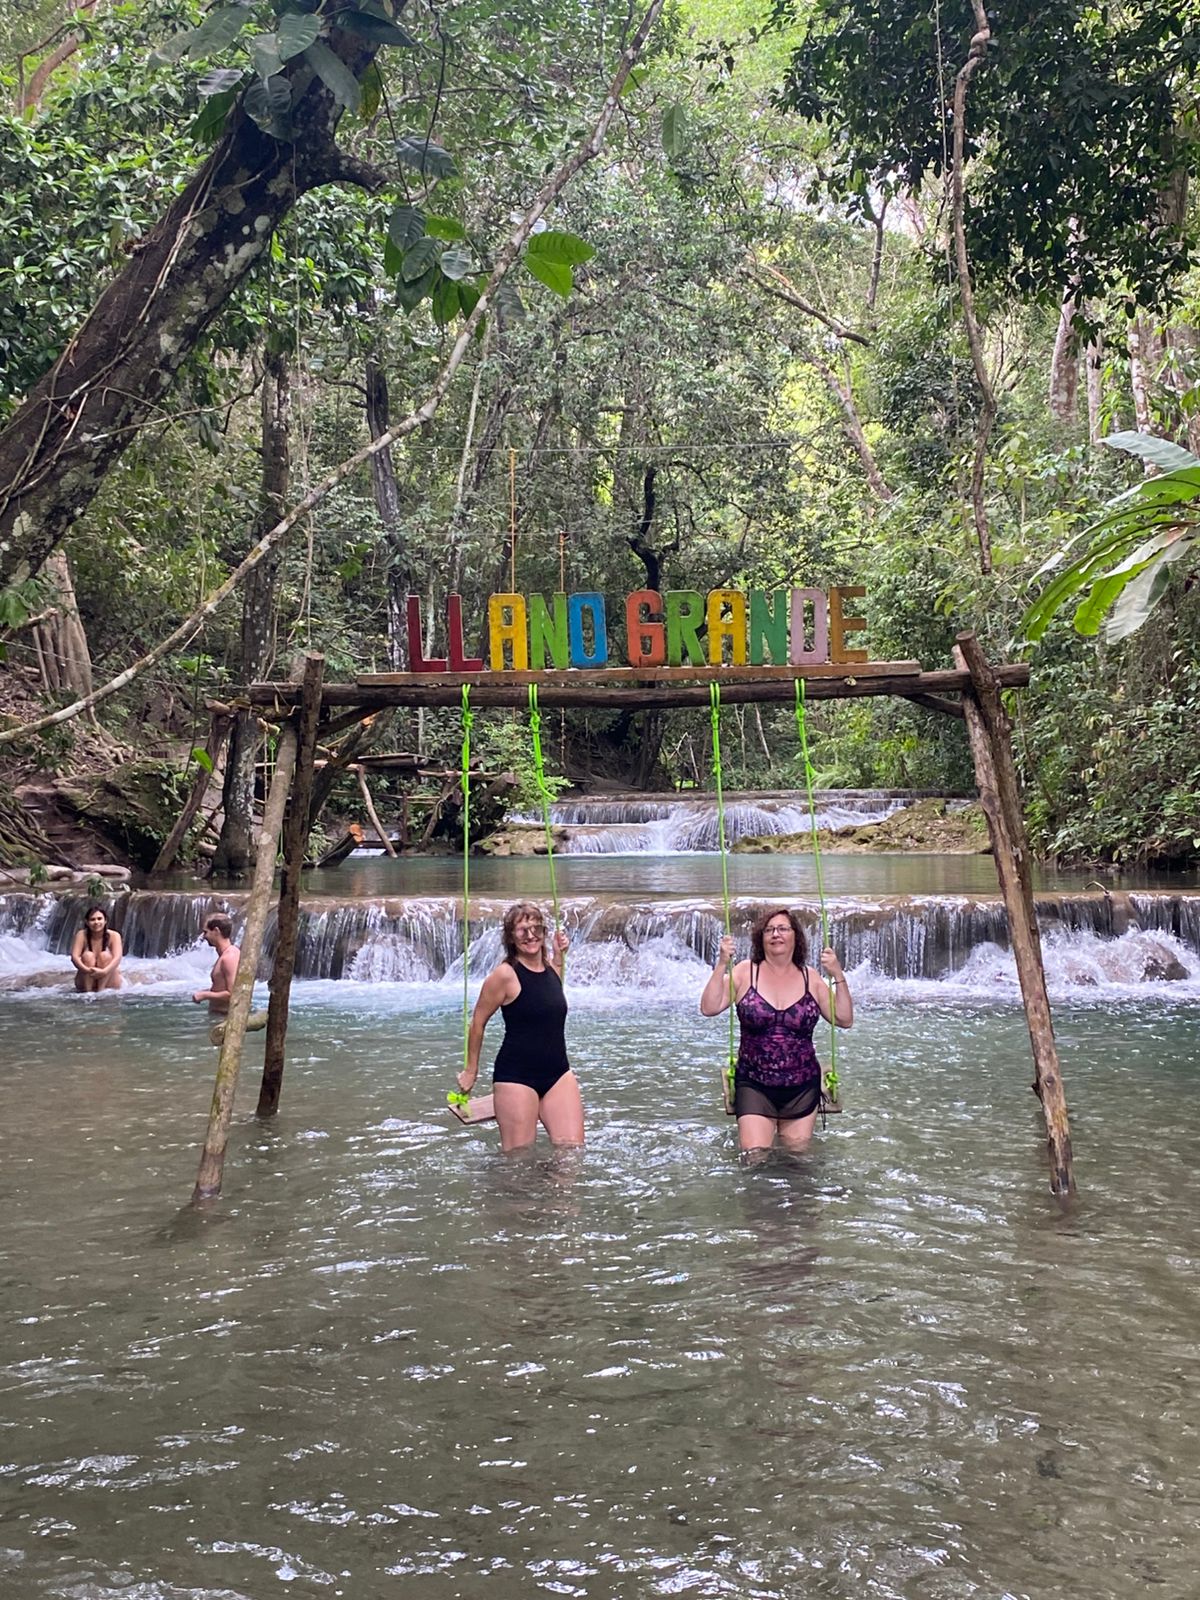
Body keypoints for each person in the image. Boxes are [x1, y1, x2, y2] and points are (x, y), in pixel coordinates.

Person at [700, 905, 853, 1155]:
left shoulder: (810, 978)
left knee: (796, 1163)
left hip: (802, 1086)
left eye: (783, 928)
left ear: (796, 936)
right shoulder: (745, 972)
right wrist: (721, 964)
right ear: (761, 938)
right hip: (755, 1084)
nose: (776, 934)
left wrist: (837, 974)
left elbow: (844, 1019)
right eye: (769, 930)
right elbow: (709, 1007)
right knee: (754, 1157)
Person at [458, 901, 584, 1153]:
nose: (531, 936)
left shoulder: (550, 967)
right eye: (522, 930)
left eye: (536, 928)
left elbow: (549, 990)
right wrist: (471, 1070)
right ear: (511, 937)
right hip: (516, 1077)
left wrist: (559, 957)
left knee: (572, 1154)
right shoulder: (504, 975)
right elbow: (478, 1023)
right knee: (519, 1163)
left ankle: (553, 1192)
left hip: (558, 1073)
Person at [192, 913, 240, 1013]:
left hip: (225, 1018)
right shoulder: (224, 955)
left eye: (206, 932)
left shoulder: (230, 957)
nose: (203, 936)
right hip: (218, 1016)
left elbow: (234, 994)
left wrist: (205, 995)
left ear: (216, 931)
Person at [70, 904, 123, 992]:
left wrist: (104, 971)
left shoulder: (114, 935)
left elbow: (117, 958)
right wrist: (87, 970)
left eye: (99, 919)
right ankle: (88, 993)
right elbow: (74, 957)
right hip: (86, 977)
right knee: (88, 956)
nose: (96, 922)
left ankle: (101, 993)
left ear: (105, 920)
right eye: (92, 919)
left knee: (105, 956)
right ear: (87, 922)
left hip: (109, 980)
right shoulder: (81, 935)